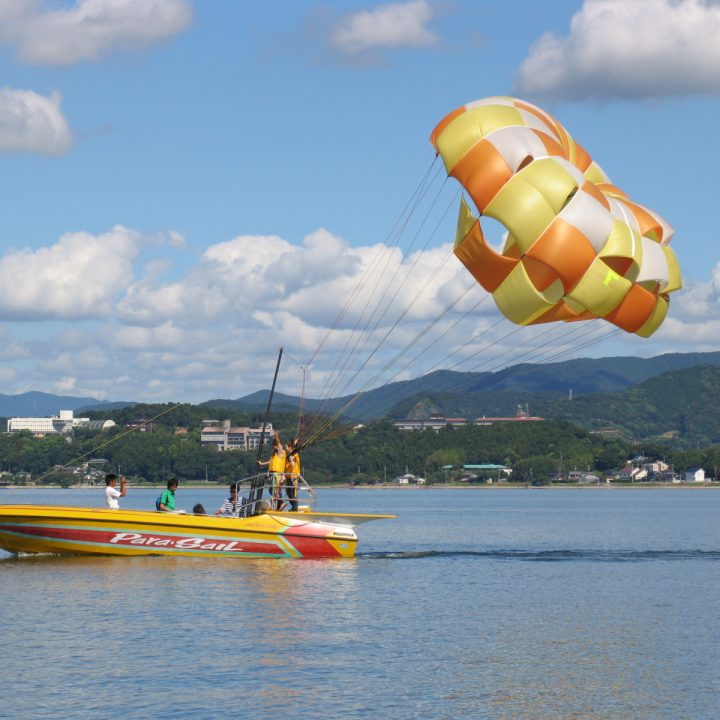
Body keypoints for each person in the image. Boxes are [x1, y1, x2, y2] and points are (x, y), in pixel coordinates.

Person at [257, 431, 286, 510]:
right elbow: (270, 462)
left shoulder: (281, 452)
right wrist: (262, 464)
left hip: (277, 473)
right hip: (272, 474)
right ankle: (280, 503)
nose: (273, 447)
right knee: (272, 490)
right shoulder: (275, 454)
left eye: (274, 445)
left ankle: (281, 503)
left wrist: (276, 436)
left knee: (275, 490)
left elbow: (279, 444)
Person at [284, 438, 301, 512]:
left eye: (287, 447)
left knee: (293, 492)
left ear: (290, 448)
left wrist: (291, 461)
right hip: (288, 476)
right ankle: (293, 506)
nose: (286, 449)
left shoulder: (294, 455)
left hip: (293, 476)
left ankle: (295, 507)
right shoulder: (288, 456)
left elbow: (293, 465)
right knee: (288, 492)